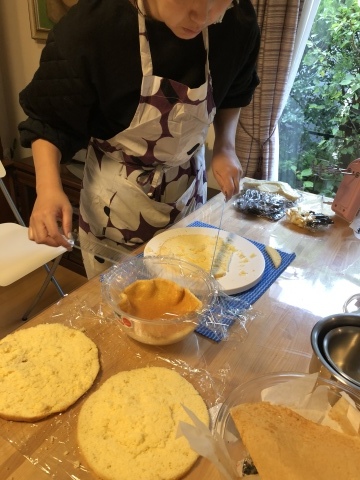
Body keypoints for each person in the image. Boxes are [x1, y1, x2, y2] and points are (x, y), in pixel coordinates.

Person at [19, 0, 260, 278]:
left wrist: (225, 147)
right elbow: (50, 119)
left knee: (189, 294)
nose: (202, 16)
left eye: (219, 2)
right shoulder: (92, 29)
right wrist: (47, 189)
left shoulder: (236, 21)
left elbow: (237, 89)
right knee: (121, 308)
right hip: (115, 205)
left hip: (186, 191)